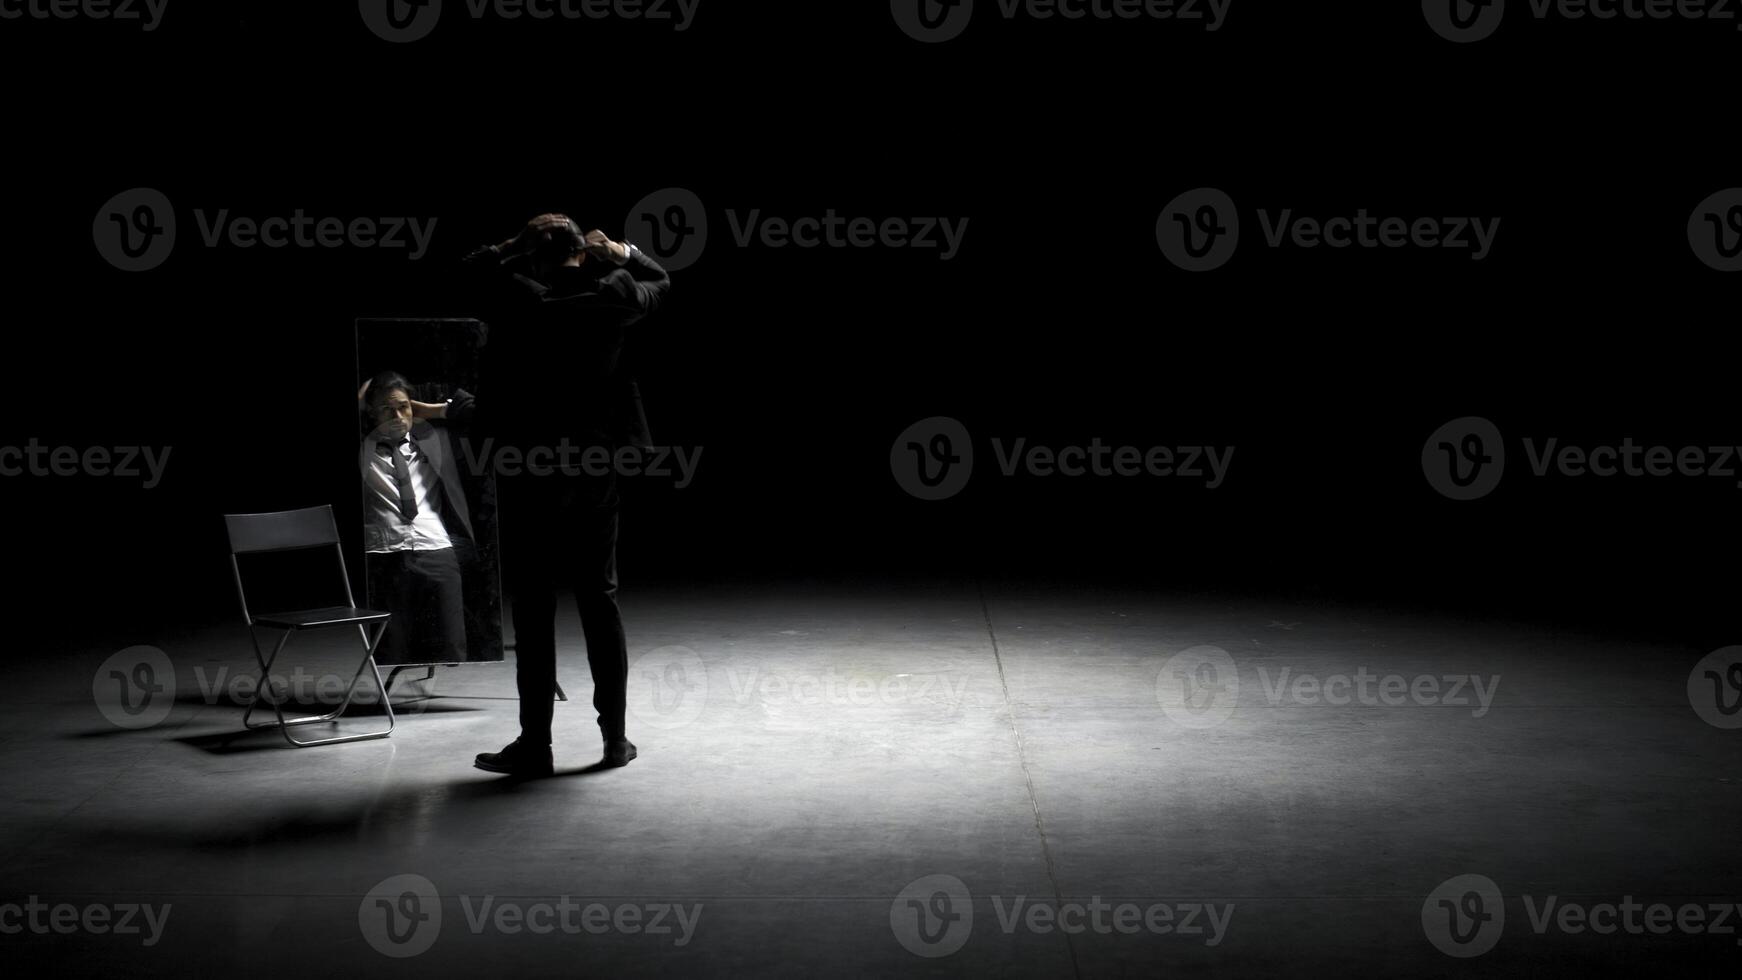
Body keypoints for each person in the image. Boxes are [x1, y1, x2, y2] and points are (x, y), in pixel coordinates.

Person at [429, 213, 671, 775]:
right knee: (599, 599)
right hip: (593, 469)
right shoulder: (615, 297)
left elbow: (460, 274)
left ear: (534, 258)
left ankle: (535, 745)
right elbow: (663, 280)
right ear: (582, 257)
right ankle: (615, 740)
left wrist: (511, 242)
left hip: (530, 471)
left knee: (535, 611)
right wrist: (619, 251)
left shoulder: (519, 301)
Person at [357, 371, 476, 665]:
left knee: (452, 645)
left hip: (435, 548)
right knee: (391, 648)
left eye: (403, 407)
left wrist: (433, 409)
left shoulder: (438, 440)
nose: (398, 416)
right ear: (371, 413)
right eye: (387, 409)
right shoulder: (363, 447)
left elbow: (481, 416)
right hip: (384, 552)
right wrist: (360, 401)